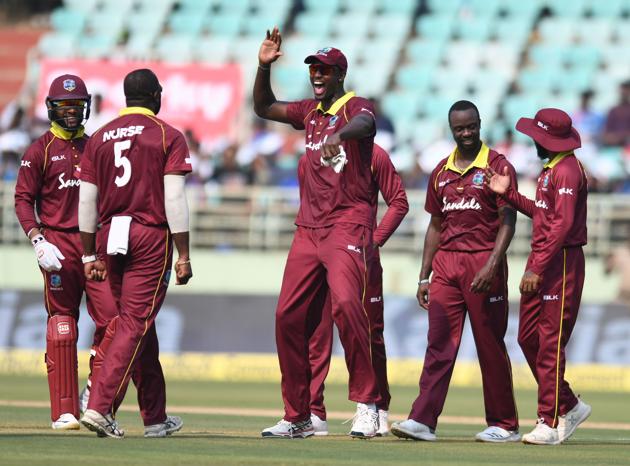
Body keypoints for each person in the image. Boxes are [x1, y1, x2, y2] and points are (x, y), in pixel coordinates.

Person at [254, 27, 382, 438]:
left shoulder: (352, 107)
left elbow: (365, 122)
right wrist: (262, 67)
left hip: (347, 222)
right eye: (314, 68)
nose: (317, 75)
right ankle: (299, 416)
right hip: (307, 229)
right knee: (286, 316)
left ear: (340, 75)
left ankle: (367, 404)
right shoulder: (309, 111)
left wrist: (338, 137)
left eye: (325, 70)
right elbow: (264, 107)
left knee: (346, 305)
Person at [391, 100, 520, 443]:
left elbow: (509, 219)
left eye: (471, 127)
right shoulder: (440, 171)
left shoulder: (497, 165)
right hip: (447, 265)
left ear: (480, 124)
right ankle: (422, 420)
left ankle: (504, 423)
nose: (466, 134)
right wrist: (424, 275)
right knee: (438, 344)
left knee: (489, 344)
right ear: (451, 130)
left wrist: (493, 263)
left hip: (483, 262)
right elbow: (435, 225)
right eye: (459, 129)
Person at [77, 68, 193, 438]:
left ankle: (155, 417)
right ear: (156, 95)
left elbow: (87, 200)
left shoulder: (99, 138)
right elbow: (173, 196)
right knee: (134, 323)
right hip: (148, 235)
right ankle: (99, 406)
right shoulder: (167, 135)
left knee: (137, 322)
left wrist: (87, 254)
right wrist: (184, 253)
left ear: (126, 98)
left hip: (110, 236)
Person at [14, 74, 117, 430]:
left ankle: (96, 399)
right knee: (62, 325)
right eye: (64, 106)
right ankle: (64, 411)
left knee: (115, 323)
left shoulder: (97, 147)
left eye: (76, 106)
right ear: (51, 109)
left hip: (96, 246)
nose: (71, 112)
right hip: (57, 244)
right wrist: (37, 239)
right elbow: (23, 200)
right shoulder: (39, 150)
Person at [484, 108, 591, 445]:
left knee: (548, 343)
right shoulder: (551, 169)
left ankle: (549, 420)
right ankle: (569, 404)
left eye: (536, 137)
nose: (533, 142)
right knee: (528, 338)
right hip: (545, 257)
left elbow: (561, 226)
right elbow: (545, 215)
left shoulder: (568, 171)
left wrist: (537, 267)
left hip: (559, 262)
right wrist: (508, 194)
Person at [308, 143, 409, 437]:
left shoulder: (373, 154)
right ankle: (313, 411)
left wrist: (373, 241)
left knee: (369, 333)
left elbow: (399, 202)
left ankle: (377, 407)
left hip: (359, 254)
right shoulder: (315, 151)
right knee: (316, 332)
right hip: (319, 251)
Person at [601, 79, 630, 147]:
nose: (624, 92)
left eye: (627, 89)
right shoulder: (613, 110)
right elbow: (606, 134)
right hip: (613, 146)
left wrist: (622, 137)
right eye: (623, 89)